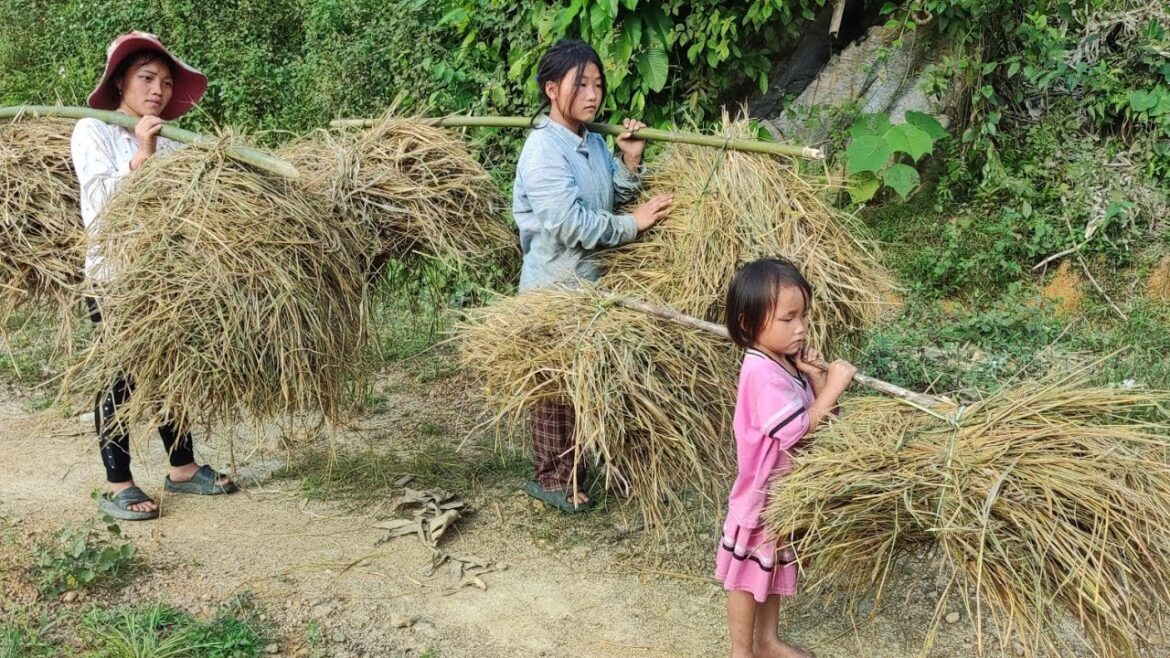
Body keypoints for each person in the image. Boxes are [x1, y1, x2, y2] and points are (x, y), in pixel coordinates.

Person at [71, 31, 235, 521]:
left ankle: (182, 469)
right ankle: (117, 482)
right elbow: (100, 208)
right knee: (121, 378)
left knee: (170, 371)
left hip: (162, 278)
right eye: (146, 78)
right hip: (114, 277)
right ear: (120, 80)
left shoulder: (170, 143)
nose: (158, 90)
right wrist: (140, 155)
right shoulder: (91, 130)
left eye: (165, 82)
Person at [512, 38, 673, 512]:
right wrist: (635, 224)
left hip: (592, 284)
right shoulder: (543, 150)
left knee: (591, 382)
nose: (592, 94)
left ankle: (590, 467)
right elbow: (571, 224)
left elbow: (609, 199)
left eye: (598, 84)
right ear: (551, 89)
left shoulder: (594, 142)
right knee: (556, 390)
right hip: (554, 288)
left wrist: (629, 161)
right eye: (580, 84)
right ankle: (554, 479)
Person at [717, 257, 857, 658]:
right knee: (746, 579)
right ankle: (741, 652)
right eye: (787, 319)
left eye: (803, 317)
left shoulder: (782, 363)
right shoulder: (760, 374)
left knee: (771, 569)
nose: (800, 328)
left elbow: (811, 415)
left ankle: (767, 642)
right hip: (759, 501)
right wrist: (834, 385)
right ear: (748, 323)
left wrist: (814, 379)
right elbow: (797, 429)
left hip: (781, 498)